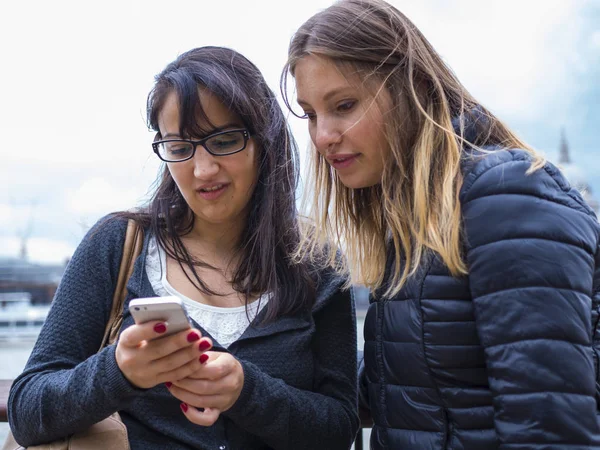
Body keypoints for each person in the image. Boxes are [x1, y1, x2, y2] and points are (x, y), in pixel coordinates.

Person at [282, 0, 600, 448]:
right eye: (311, 114)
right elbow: (406, 394)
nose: (322, 136)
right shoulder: (413, 227)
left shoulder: (502, 196)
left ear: (409, 86)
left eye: (344, 104)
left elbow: (549, 428)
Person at [7, 46, 359, 450]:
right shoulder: (117, 244)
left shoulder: (317, 262)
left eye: (224, 140)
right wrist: (119, 371)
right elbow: (27, 408)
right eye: (179, 147)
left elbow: (339, 427)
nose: (203, 169)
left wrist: (246, 392)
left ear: (265, 139)